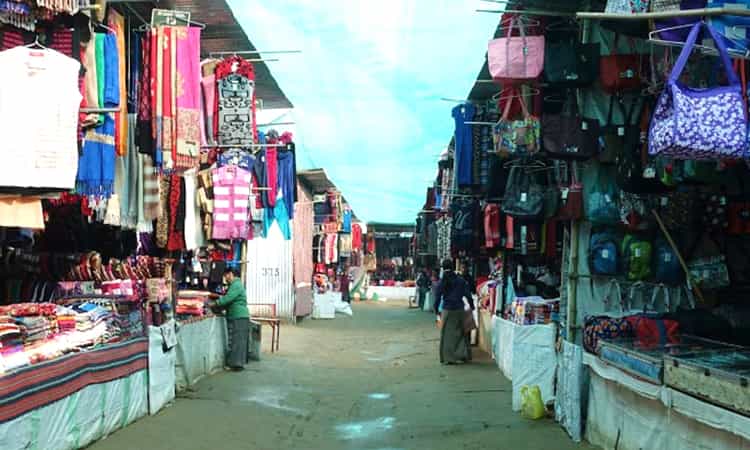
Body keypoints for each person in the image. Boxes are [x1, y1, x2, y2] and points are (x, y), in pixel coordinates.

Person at [434, 259, 475, 365]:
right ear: (453, 267)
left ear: (443, 268)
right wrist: (472, 306)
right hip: (459, 309)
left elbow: (437, 296)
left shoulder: (442, 281)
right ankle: (462, 355)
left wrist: (436, 310)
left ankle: (448, 358)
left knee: (446, 335)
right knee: (461, 333)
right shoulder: (460, 280)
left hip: (447, 309)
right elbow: (468, 295)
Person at [211, 268, 250, 371]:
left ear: (231, 274)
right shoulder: (235, 285)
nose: (225, 279)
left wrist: (216, 303)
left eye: (226, 276)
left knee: (236, 341)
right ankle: (238, 364)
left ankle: (235, 364)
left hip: (238, 316)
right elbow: (229, 300)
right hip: (238, 316)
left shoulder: (236, 285)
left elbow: (228, 298)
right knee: (238, 341)